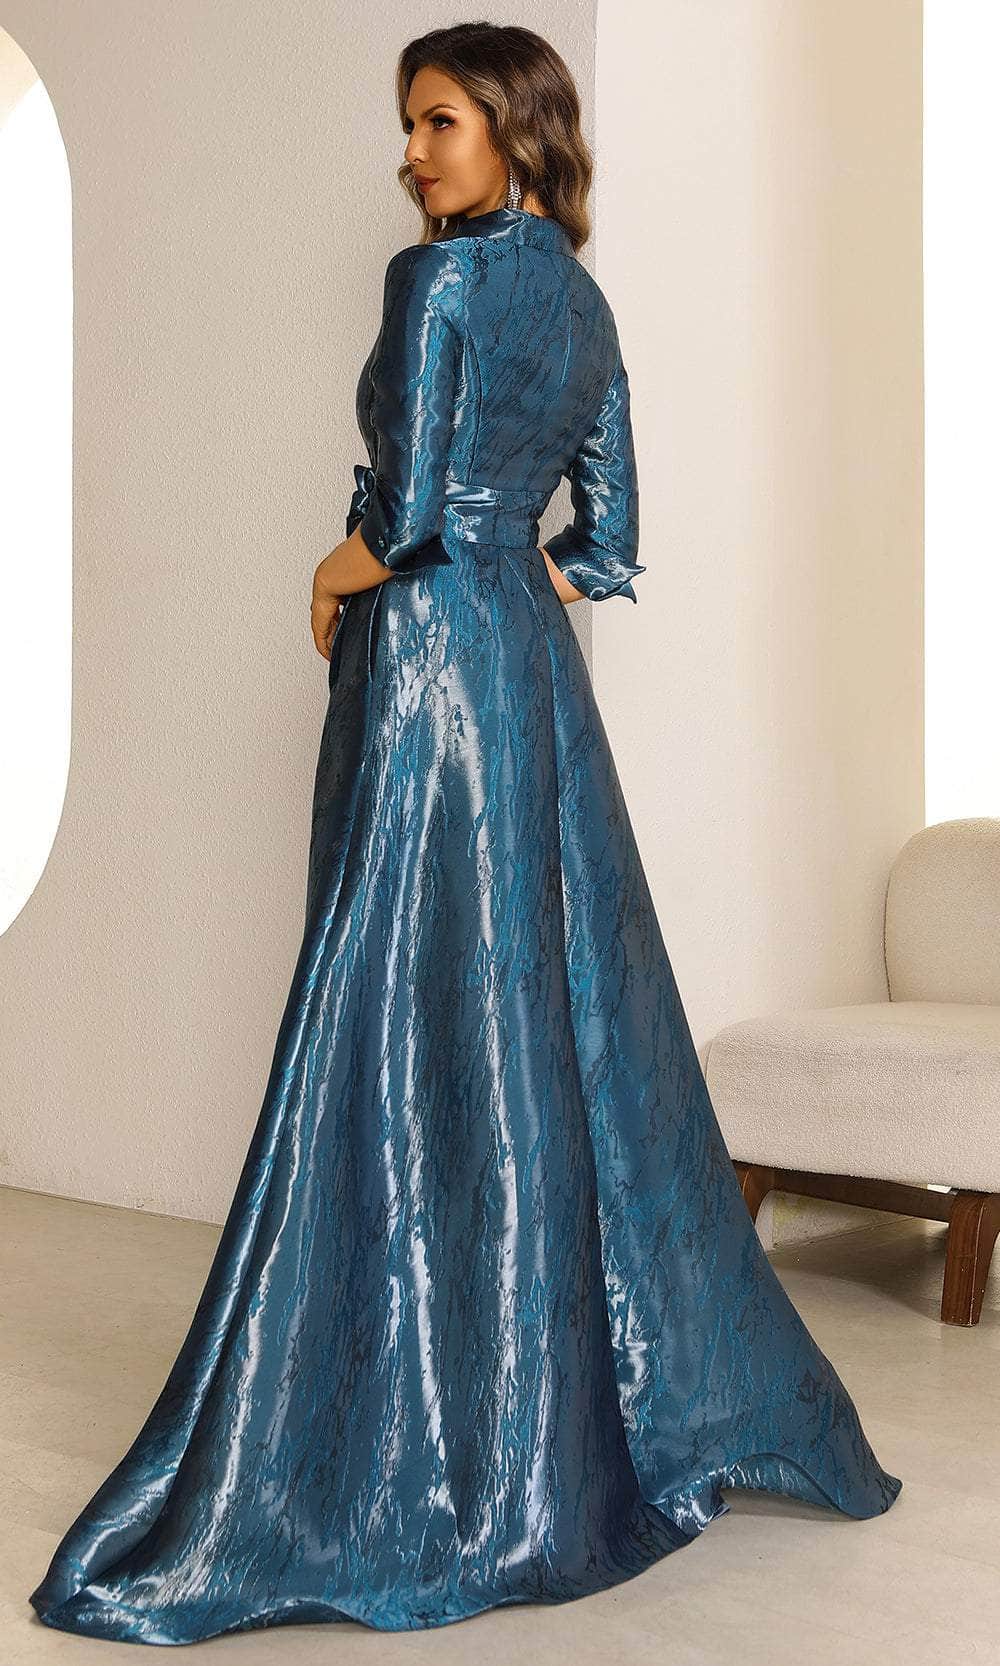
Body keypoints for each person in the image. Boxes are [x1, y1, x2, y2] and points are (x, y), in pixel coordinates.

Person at [28, 22, 901, 1647]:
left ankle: (409, 1420)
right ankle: (543, 1401)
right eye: (409, 124)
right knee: (534, 1021)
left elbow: (413, 503)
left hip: (426, 668)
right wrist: (513, 584)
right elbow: (610, 539)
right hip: (528, 683)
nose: (412, 151)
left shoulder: (432, 282)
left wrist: (330, 573)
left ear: (512, 125)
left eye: (438, 121)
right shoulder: (584, 302)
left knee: (394, 1003)